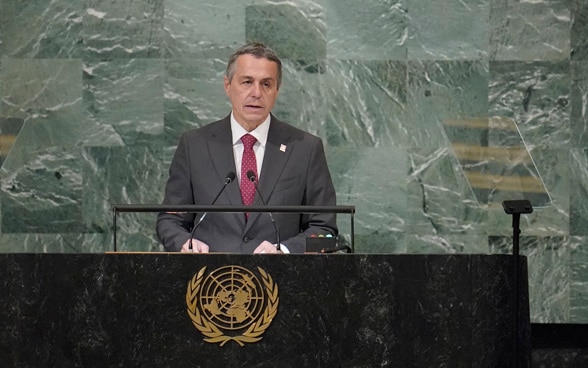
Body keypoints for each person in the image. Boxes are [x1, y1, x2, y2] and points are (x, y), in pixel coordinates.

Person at [156, 42, 337, 254]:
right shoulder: (194, 145)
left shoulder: (305, 149)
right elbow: (169, 220)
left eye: (266, 84)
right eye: (247, 82)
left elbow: (327, 235)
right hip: (209, 281)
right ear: (227, 85)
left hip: (282, 280)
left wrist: (286, 250)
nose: (256, 93)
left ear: (277, 90)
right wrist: (183, 242)